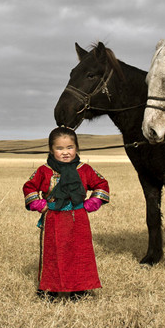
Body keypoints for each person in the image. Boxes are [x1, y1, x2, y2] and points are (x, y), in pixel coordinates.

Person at [22, 127, 110, 300]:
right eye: (59, 148)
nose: (65, 152)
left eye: (69, 147)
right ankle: (50, 290)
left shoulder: (84, 169)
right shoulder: (44, 170)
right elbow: (29, 187)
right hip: (54, 218)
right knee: (53, 254)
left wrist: (94, 202)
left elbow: (102, 184)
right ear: (51, 149)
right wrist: (39, 203)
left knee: (80, 253)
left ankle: (79, 290)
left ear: (77, 148)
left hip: (79, 218)